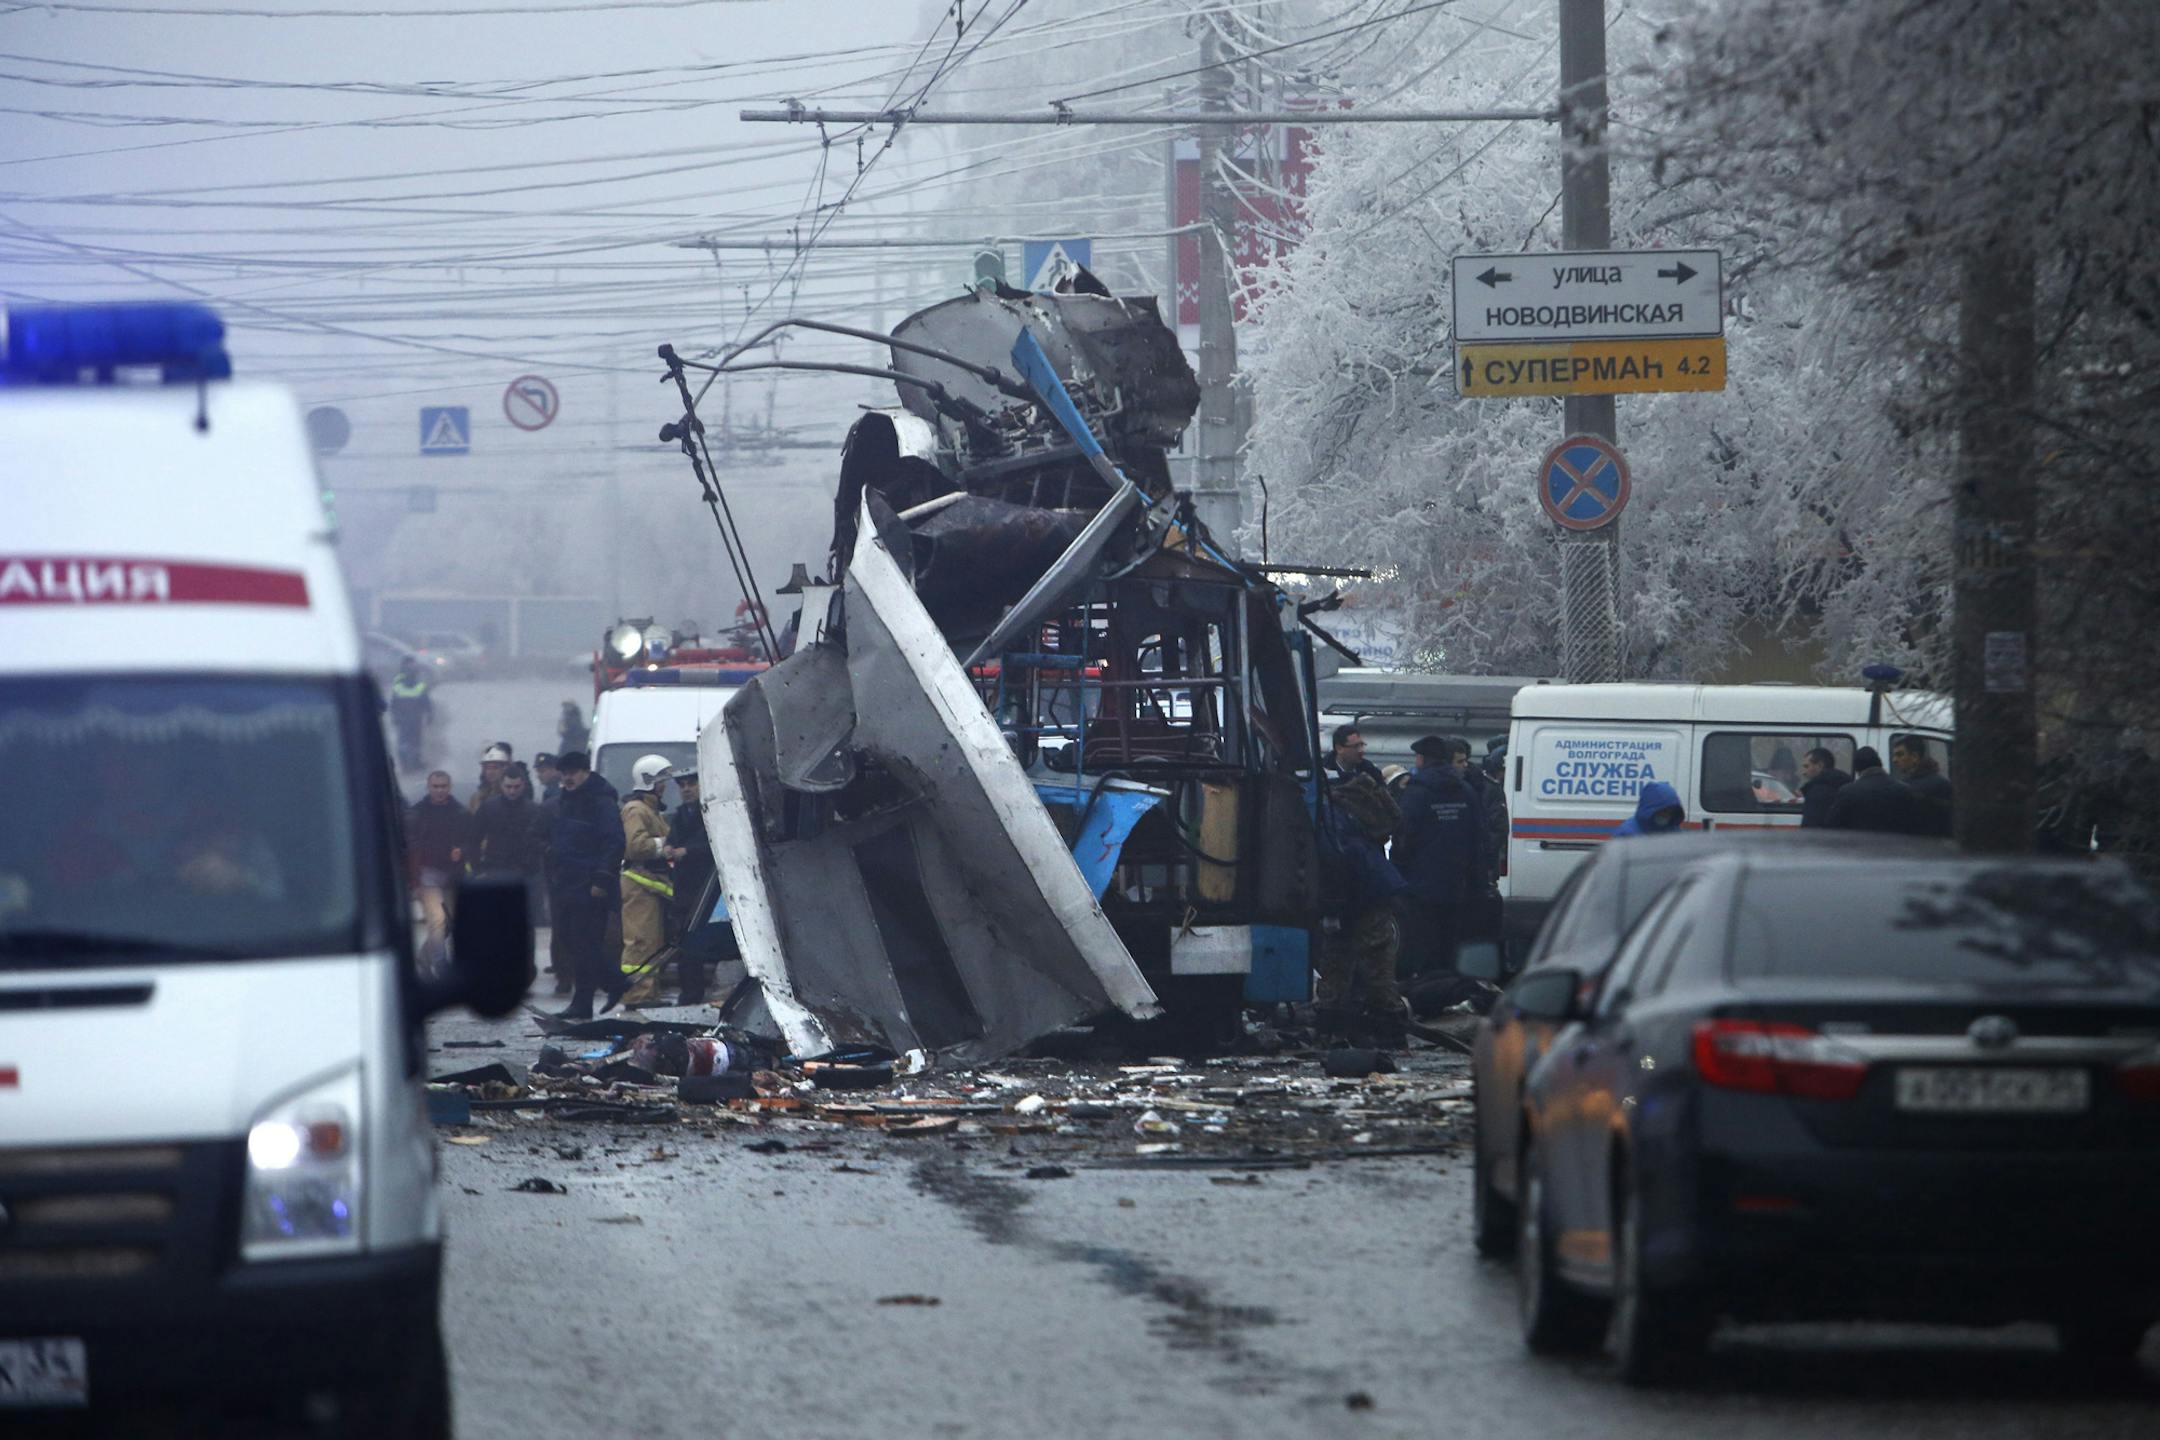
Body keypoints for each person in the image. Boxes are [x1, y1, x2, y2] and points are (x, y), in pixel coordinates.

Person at [1315, 773, 1408, 1040]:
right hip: (1371, 890)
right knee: (1375, 959)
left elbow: (1337, 863)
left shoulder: (1326, 818)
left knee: (1342, 958)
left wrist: (1332, 909)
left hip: (1359, 892)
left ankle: (1332, 1025)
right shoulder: (1348, 812)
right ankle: (1389, 1025)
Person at [1395, 736, 1485, 986]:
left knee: (1423, 945)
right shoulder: (1466, 792)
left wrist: (1400, 871)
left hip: (1421, 886)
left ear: (1422, 759)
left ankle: (1427, 992)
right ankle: (1449, 991)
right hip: (1458, 885)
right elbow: (1479, 838)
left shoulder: (1416, 793)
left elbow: (1403, 837)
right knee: (1450, 944)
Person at [547, 750, 624, 1020]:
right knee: (571, 939)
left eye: (572, 773)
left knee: (584, 943)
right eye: (564, 773)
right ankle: (615, 982)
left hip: (591, 885)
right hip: (569, 882)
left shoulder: (600, 800)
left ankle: (583, 1003)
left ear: (585, 772)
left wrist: (602, 878)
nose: (567, 778)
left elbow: (614, 841)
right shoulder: (570, 799)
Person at [663, 768, 729, 1006]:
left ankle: (701, 994)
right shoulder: (680, 814)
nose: (687, 789)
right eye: (682, 785)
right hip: (683, 890)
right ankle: (689, 994)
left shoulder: (711, 813)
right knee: (685, 945)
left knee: (702, 944)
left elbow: (714, 843)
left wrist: (687, 851)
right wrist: (669, 848)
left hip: (707, 890)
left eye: (691, 784)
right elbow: (672, 839)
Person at [616, 753, 676, 1008]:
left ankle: (649, 992)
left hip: (649, 884)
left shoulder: (650, 810)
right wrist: (667, 845)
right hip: (638, 882)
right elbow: (635, 846)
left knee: (653, 942)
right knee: (640, 941)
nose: (665, 786)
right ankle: (636, 994)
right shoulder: (635, 810)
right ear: (650, 781)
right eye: (661, 780)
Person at [406, 770, 470, 974]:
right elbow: (409, 845)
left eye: (443, 786)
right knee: (437, 919)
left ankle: (425, 956)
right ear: (429, 787)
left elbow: (471, 840)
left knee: (451, 922)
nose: (440, 790)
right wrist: (413, 879)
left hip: (452, 873)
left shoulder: (460, 812)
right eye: (436, 786)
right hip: (427, 873)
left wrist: (463, 851)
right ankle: (440, 963)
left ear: (449, 787)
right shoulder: (417, 813)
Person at [471, 761, 547, 927]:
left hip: (526, 872)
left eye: (516, 787)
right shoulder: (489, 807)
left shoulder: (534, 810)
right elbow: (474, 838)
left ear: (523, 785)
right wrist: (478, 868)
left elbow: (542, 841)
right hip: (497, 870)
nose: (512, 791)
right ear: (501, 785)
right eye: (508, 787)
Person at [1826, 746, 1935, 835]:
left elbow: (1832, 827)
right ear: (1879, 763)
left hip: (1859, 854)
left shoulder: (1847, 792)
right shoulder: (1905, 790)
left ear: (1857, 769)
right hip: (1897, 854)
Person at [1890, 736, 1954, 836]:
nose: (1894, 760)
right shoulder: (1943, 782)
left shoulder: (1909, 788)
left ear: (1915, 757)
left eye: (1900, 755)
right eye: (1894, 755)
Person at [387, 658, 432, 771]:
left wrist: (394, 716)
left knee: (408, 741)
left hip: (408, 716)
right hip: (412, 716)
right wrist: (429, 713)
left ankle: (409, 764)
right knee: (412, 740)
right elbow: (425, 700)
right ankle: (412, 763)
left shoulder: (398, 683)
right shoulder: (417, 682)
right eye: (411, 665)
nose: (412, 667)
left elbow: (393, 702)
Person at [1798, 747, 1853, 828]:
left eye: (1807, 766)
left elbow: (1810, 828)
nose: (1804, 772)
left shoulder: (1816, 793)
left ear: (1820, 765)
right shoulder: (1847, 787)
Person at [1612, 779, 1685, 837]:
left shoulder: (1674, 832)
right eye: (1663, 811)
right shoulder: (1626, 834)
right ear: (1651, 810)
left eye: (1671, 811)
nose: (1667, 815)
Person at [468, 742, 512, 814]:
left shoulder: (510, 795)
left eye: (495, 768)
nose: (490, 772)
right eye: (487, 768)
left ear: (504, 768)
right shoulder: (476, 798)